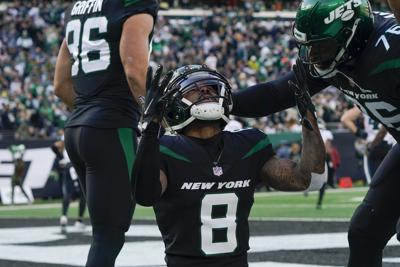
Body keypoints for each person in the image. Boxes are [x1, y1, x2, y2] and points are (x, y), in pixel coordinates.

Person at [231, 1, 400, 265]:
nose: (312, 55)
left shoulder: (391, 50)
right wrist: (226, 102)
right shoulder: (340, 52)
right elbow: (278, 93)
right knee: (364, 232)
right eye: (309, 46)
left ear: (352, 33)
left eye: (320, 46)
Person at [133, 65, 327, 266]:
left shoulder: (248, 145)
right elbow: (145, 195)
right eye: (193, 88)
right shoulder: (165, 148)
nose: (205, 90)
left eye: (210, 87)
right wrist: (150, 130)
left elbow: (307, 178)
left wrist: (307, 114)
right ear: (173, 104)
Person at [53, 1, 159, 266]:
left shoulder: (76, 7)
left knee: (104, 233)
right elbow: (134, 69)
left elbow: (60, 85)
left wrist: (89, 113)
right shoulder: (132, 4)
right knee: (110, 234)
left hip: (78, 128)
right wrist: (158, 118)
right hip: (111, 126)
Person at [341, 106, 394, 184]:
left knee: (374, 181)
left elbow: (344, 119)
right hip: (389, 143)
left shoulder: (364, 102)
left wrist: (361, 134)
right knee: (392, 179)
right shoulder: (387, 100)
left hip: (372, 144)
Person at [51, 139, 86, 234]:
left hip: (70, 172)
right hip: (76, 172)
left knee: (68, 194)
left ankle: (64, 216)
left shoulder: (65, 152)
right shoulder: (72, 150)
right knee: (82, 195)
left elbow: (54, 147)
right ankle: (79, 220)